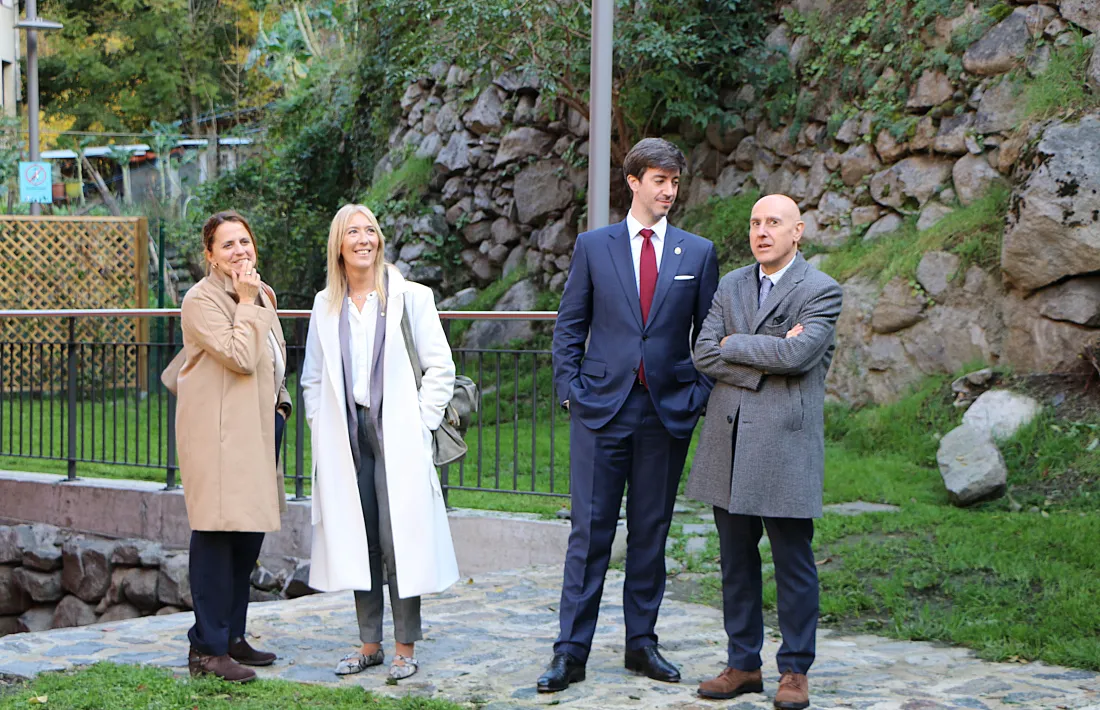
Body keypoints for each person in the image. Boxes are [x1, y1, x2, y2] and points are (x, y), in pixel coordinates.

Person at [539, 137, 720, 693]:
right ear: (634, 182)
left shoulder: (699, 252)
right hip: (599, 411)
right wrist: (570, 392)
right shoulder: (596, 246)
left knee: (650, 534)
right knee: (588, 535)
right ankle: (571, 652)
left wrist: (700, 392)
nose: (668, 190)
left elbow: (710, 334)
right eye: (659, 180)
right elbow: (570, 324)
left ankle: (641, 645)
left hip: (665, 414)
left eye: (674, 181)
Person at [686, 194, 842, 710]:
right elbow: (703, 352)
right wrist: (760, 350)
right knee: (734, 560)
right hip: (727, 440)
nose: (761, 231)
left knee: (792, 561)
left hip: (785, 444)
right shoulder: (730, 284)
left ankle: (795, 669)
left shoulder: (821, 290)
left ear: (798, 231)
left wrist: (736, 343)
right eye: (754, 222)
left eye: (773, 222)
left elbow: (799, 354)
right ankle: (743, 664)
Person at [301, 204, 459, 681]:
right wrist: (321, 425)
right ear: (339, 244)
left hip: (398, 435)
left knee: (400, 540)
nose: (364, 238)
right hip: (350, 436)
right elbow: (311, 379)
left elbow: (441, 368)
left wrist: (420, 422)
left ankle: (404, 647)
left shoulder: (411, 297)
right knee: (360, 538)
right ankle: (369, 643)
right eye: (354, 231)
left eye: (370, 230)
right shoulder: (325, 304)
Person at [175, 210, 291, 683]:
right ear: (210, 255)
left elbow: (273, 357)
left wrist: (281, 407)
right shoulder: (201, 300)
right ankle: (207, 648)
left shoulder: (261, 294)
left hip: (261, 429)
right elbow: (242, 357)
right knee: (217, 537)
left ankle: (233, 637)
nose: (239, 251)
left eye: (245, 241)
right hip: (220, 437)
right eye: (227, 244)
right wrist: (247, 300)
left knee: (246, 540)